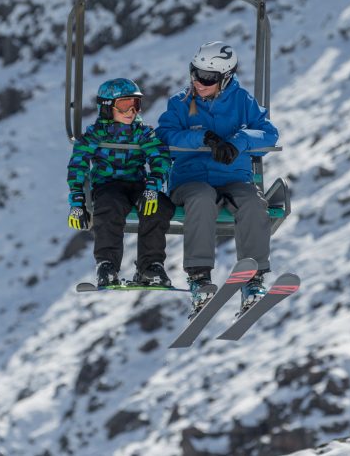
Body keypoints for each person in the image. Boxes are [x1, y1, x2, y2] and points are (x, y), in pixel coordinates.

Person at [156, 41, 279, 316]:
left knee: (252, 201)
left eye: (208, 78)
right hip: (190, 179)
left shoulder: (242, 101)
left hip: (232, 177)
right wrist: (203, 138)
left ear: (225, 79)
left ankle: (253, 278)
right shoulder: (180, 103)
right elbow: (165, 136)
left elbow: (269, 134)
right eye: (196, 73)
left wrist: (239, 141)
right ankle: (199, 277)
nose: (199, 82)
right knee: (201, 198)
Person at [67, 78, 175, 287]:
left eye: (136, 105)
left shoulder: (142, 132)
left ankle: (150, 266)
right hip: (108, 185)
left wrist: (152, 187)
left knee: (158, 206)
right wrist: (77, 200)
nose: (131, 111)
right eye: (125, 105)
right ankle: (107, 264)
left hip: (138, 184)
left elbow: (160, 158)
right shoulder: (94, 135)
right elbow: (78, 165)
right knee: (109, 206)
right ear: (107, 107)